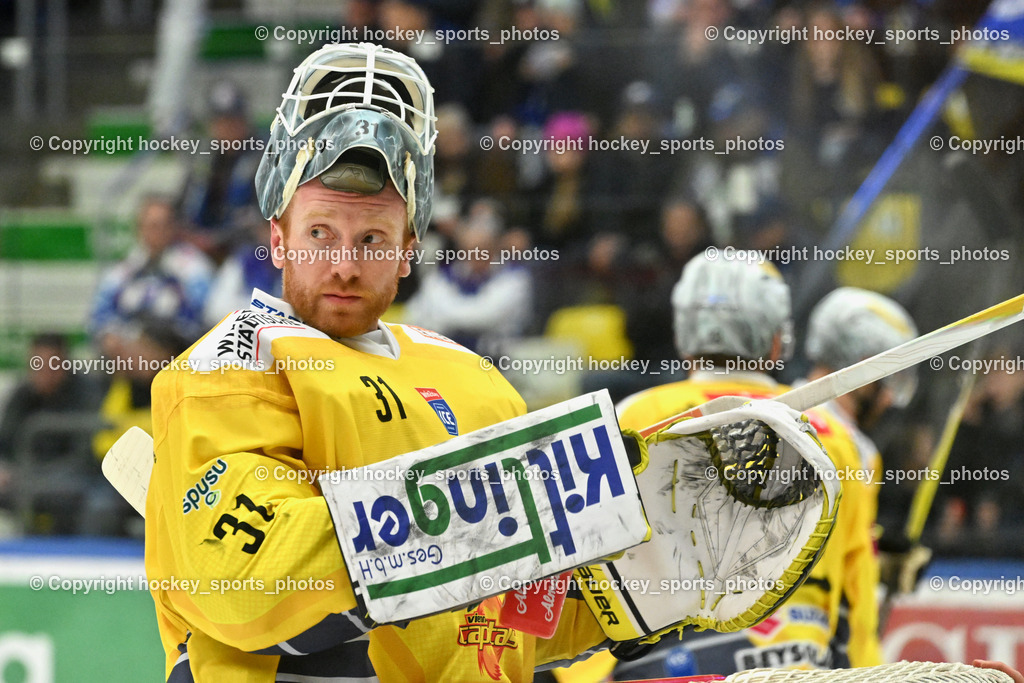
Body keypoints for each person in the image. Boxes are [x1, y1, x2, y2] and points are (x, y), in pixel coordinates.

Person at [143, 43, 613, 682]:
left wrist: (637, 589)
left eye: (371, 239)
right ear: (277, 237)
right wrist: (466, 523)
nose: (343, 263)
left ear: (408, 249)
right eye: (319, 234)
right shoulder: (230, 370)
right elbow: (249, 584)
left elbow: (512, 625)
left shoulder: (478, 385)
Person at [612, 256, 881, 678]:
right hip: (796, 662)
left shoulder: (635, 416)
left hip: (663, 664)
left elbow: (591, 562)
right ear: (776, 341)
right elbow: (856, 590)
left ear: (684, 333)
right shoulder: (835, 436)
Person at [803, 287, 918, 661]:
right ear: (864, 367)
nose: (890, 399)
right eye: (891, 379)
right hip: (820, 648)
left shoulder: (855, 447)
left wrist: (880, 559)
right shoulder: (828, 439)